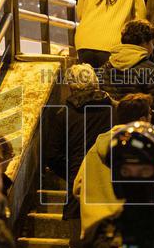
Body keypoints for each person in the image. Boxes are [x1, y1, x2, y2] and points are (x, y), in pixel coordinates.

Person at [42, 64, 114, 224]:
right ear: (95, 82)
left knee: (77, 240)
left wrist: (72, 172)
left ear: (70, 85)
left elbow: (52, 155)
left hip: (78, 186)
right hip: (109, 182)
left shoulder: (64, 114)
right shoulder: (113, 108)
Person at [73, 94, 152, 237]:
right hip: (130, 231)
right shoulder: (143, 150)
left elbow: (77, 187)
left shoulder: (95, 149)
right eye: (150, 114)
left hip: (96, 231)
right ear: (142, 120)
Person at [97, 19, 154, 136]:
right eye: (151, 42)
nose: (152, 47)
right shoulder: (150, 69)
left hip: (111, 133)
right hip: (141, 135)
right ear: (144, 43)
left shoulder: (105, 68)